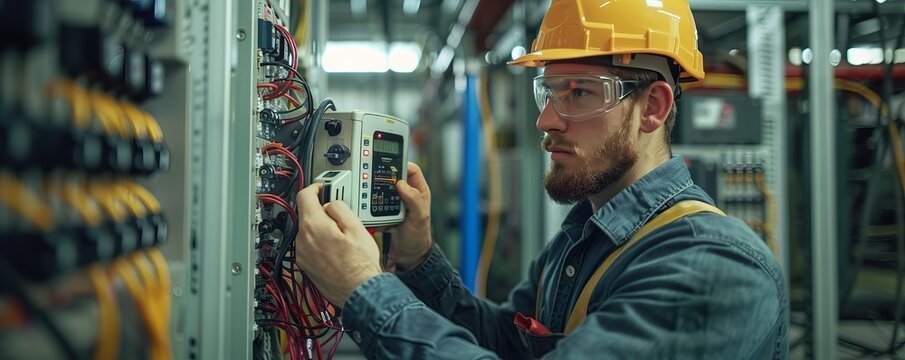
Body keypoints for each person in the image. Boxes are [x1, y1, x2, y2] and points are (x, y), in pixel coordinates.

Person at [294, 0, 788, 358]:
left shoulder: (709, 266)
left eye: (579, 93)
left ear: (652, 108)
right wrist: (421, 258)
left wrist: (363, 288)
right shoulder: (582, 239)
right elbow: (507, 343)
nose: (546, 120)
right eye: (547, 92)